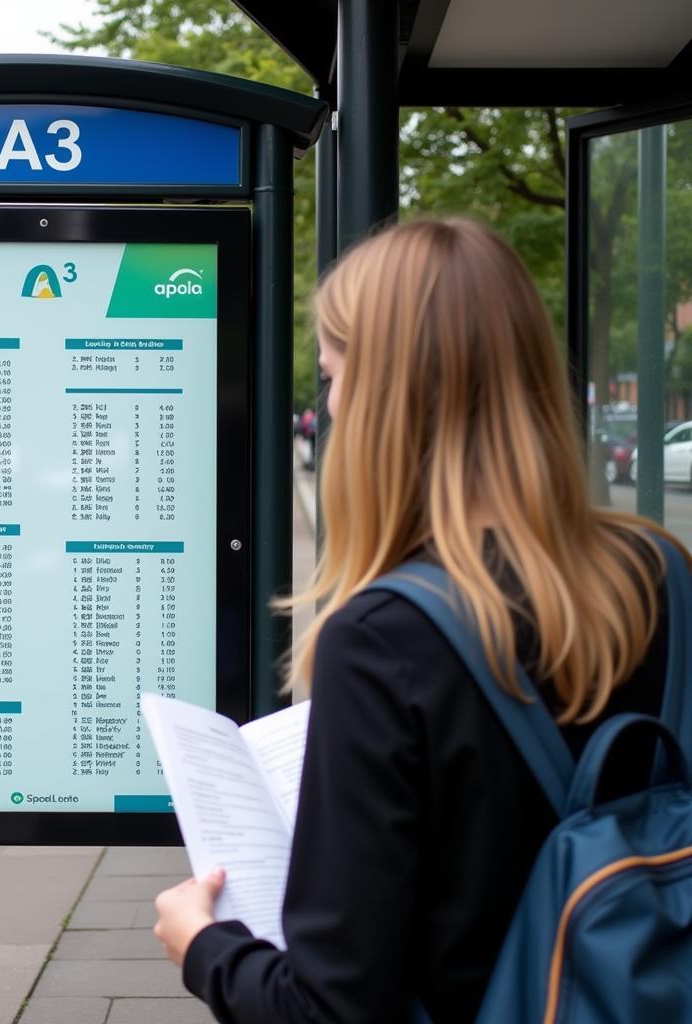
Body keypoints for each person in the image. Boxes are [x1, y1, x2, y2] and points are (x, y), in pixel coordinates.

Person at [152, 218, 691, 1023]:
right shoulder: (663, 572)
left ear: (387, 396)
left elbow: (332, 1008)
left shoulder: (383, 639)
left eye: (334, 376)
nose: (328, 403)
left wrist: (203, 947)